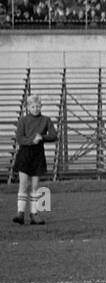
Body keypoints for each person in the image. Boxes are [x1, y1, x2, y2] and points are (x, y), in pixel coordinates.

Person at [11, 94, 58, 226]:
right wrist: (32, 140)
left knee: (35, 186)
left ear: (41, 106)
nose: (36, 109)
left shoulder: (46, 120)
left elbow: (54, 136)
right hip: (25, 154)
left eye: (38, 106)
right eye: (33, 106)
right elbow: (20, 139)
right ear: (28, 107)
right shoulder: (23, 120)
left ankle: (34, 213)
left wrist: (42, 137)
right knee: (23, 184)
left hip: (38, 155)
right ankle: (20, 213)